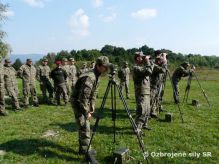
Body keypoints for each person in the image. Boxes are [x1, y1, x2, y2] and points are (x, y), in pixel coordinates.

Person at [71, 56, 110, 154]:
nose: (106, 69)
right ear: (98, 66)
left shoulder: (97, 75)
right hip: (78, 102)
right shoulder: (90, 77)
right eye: (105, 67)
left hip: (83, 101)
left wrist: (92, 106)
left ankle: (83, 149)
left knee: (84, 125)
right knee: (84, 126)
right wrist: (86, 111)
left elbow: (93, 93)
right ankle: (86, 152)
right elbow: (82, 98)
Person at [133, 52, 154, 131]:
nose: (143, 59)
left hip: (146, 92)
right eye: (141, 57)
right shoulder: (136, 68)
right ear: (137, 58)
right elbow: (149, 71)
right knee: (141, 111)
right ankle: (137, 128)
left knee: (147, 110)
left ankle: (144, 124)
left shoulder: (142, 67)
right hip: (141, 92)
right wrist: (147, 61)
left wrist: (149, 61)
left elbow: (151, 67)